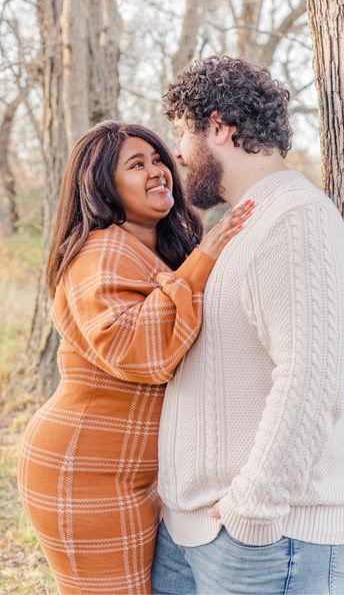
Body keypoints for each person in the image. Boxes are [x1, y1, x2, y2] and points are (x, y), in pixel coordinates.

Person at [150, 55, 344, 595]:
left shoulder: (296, 217)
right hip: (197, 531)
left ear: (219, 127)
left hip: (269, 539)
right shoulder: (241, 222)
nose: (175, 152)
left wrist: (252, 507)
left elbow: (311, 378)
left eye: (182, 131)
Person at [17, 122, 253, 595]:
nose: (158, 171)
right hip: (84, 469)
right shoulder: (98, 254)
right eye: (136, 164)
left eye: (159, 159)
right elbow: (136, 351)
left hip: (134, 473)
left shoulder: (153, 253)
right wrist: (205, 257)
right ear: (104, 186)